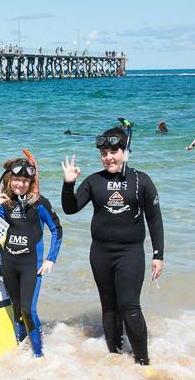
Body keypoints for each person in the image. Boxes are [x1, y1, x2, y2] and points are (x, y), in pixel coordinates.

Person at [60, 127, 164, 365]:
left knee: (129, 307)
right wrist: (68, 184)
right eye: (104, 153)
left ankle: (142, 363)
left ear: (126, 151)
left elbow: (155, 219)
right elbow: (70, 208)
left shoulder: (142, 181)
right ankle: (115, 359)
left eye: (114, 151)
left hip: (130, 253)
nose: (109, 157)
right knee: (108, 307)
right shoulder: (94, 181)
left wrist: (158, 254)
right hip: (100, 254)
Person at [0, 157, 61, 356]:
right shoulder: (6, 203)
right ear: (9, 179)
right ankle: (20, 352)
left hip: (32, 265)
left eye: (25, 180)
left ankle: (38, 355)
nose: (20, 183)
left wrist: (50, 259)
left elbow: (57, 229)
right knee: (17, 309)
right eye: (17, 179)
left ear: (31, 183)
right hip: (9, 264)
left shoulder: (39, 204)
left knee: (29, 310)